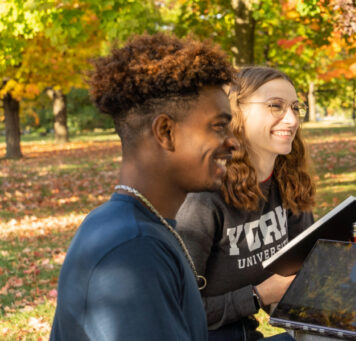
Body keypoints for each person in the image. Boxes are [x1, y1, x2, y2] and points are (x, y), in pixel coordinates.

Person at [51, 34, 236, 339]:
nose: (233, 142)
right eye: (218, 126)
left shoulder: (122, 223)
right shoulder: (134, 249)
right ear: (165, 132)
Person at [175, 66, 315, 340]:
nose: (291, 119)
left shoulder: (290, 184)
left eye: (296, 108)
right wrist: (259, 295)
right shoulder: (203, 198)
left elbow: (299, 281)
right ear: (235, 112)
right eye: (275, 106)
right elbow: (177, 309)